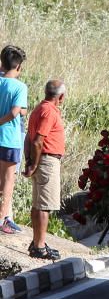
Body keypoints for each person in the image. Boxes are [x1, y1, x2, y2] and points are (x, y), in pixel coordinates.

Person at [22, 79, 66, 260]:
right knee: (44, 206)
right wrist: (33, 163)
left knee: (38, 203)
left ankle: (37, 242)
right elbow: (37, 140)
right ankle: (39, 246)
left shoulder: (39, 109)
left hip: (41, 159)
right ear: (61, 97)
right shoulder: (49, 112)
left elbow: (28, 137)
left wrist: (29, 160)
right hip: (47, 161)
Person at [0, 45, 28, 235]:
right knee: (8, 181)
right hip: (10, 139)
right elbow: (15, 112)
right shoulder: (20, 86)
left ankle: (7, 216)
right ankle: (2, 219)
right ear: (18, 67)